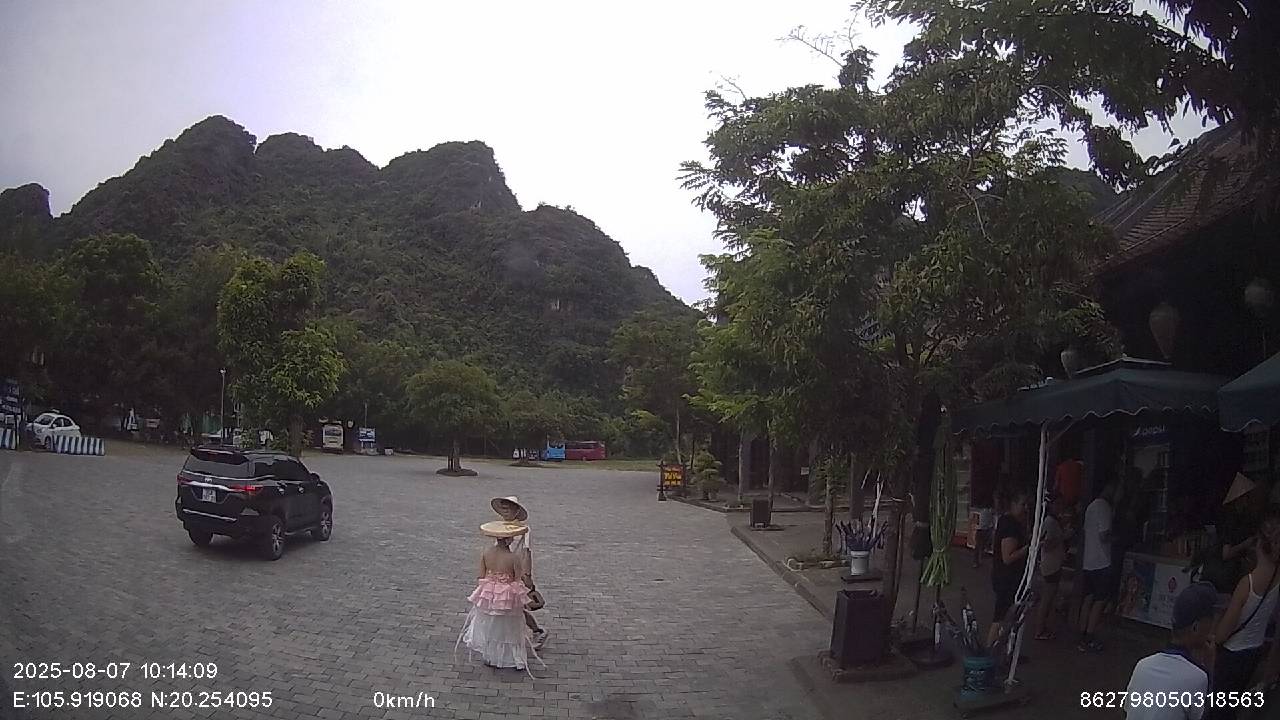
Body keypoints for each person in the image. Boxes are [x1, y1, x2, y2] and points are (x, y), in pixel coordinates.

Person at [1210, 516, 1280, 719]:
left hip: (1232, 654)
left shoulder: (1247, 583)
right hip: (1255, 650)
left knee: (1218, 709)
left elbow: (1224, 632)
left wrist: (1213, 635)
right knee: (1233, 706)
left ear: (1259, 544)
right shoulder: (1277, 575)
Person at [456, 521, 543, 675]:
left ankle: (491, 656)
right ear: (508, 539)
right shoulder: (513, 557)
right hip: (507, 594)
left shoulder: (486, 553)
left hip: (490, 592)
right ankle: (513, 658)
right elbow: (517, 579)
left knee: (493, 625)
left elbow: (481, 575)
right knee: (510, 627)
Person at [1124, 582, 1217, 720]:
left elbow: (1128, 709)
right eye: (1210, 623)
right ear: (1195, 627)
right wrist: (1210, 666)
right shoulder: (1198, 677)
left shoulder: (1142, 665)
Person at [492, 496, 548, 650]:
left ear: (516, 511)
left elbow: (526, 553)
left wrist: (527, 576)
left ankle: (537, 631)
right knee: (508, 606)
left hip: (517, 573)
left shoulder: (523, 530)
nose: (505, 510)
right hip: (503, 572)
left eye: (509, 508)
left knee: (517, 606)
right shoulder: (498, 528)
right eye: (503, 508)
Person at [988, 489, 1030, 648]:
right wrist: (1029, 548)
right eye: (1023, 504)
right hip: (1007, 578)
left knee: (1007, 615)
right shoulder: (1010, 525)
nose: (1026, 508)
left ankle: (1000, 648)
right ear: (1013, 504)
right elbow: (1008, 557)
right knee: (1001, 616)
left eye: (1027, 505)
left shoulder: (1010, 522)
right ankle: (991, 648)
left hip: (1008, 577)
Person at [1079, 483, 1116, 653]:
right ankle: (1090, 635)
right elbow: (1104, 535)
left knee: (1088, 598)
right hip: (1102, 561)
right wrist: (1116, 538)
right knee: (1099, 600)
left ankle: (1082, 633)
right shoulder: (1104, 507)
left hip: (1088, 560)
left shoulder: (1091, 507)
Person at [1034, 496, 1067, 641]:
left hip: (1053, 563)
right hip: (1051, 564)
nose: (1060, 507)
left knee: (1050, 597)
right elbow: (1046, 545)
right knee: (1047, 598)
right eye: (1057, 504)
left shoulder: (1052, 521)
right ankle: (1039, 629)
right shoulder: (1050, 522)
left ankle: (1043, 626)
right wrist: (1062, 538)